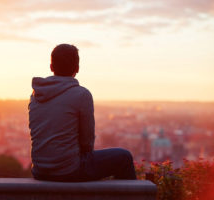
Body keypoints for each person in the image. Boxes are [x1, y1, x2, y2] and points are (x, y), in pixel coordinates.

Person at [28, 44, 136, 182]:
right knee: (124, 157)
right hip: (68, 170)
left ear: (51, 67)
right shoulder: (81, 95)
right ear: (77, 69)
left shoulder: (36, 95)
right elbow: (87, 142)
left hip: (39, 170)